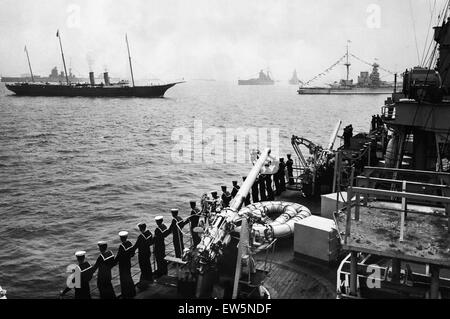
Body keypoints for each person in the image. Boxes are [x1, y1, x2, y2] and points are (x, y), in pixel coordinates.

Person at [114, 231, 136, 299]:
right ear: (126, 237)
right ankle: (132, 292)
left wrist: (113, 262)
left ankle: (125, 294)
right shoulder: (129, 243)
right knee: (129, 277)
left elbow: (118, 257)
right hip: (128, 264)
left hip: (123, 265)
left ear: (121, 238)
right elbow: (132, 254)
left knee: (123, 280)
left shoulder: (121, 246)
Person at [132, 223, 154, 288]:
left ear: (140, 229)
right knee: (148, 266)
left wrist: (131, 252)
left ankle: (144, 283)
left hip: (142, 255)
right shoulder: (149, 234)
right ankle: (150, 279)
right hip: (148, 253)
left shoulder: (141, 237)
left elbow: (135, 246)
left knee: (143, 268)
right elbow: (151, 242)